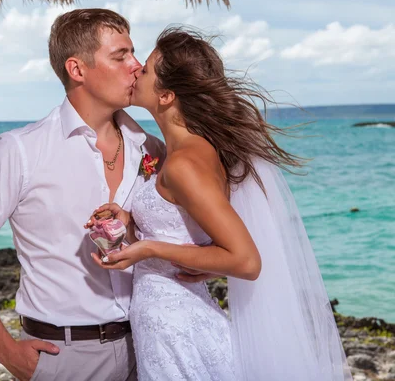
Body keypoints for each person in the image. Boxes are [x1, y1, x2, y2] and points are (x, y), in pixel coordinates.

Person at [91, 26, 353, 381]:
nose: (136, 69)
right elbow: (187, 228)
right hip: (168, 325)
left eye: (147, 68)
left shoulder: (185, 163)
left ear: (166, 95)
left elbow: (245, 260)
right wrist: (131, 221)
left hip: (179, 329)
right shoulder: (183, 152)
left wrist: (149, 249)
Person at [0, 9, 167, 381]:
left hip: (150, 345)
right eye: (120, 55)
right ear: (77, 70)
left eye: (133, 53)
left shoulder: (152, 147)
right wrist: (6, 351)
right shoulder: (19, 151)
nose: (137, 66)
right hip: (65, 356)